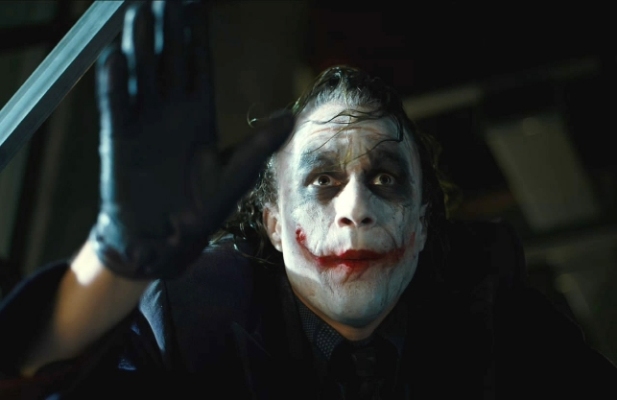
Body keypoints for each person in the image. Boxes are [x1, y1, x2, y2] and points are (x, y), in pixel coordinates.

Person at [1, 2, 616, 399]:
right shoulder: (185, 322)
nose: (355, 208)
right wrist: (112, 265)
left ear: (425, 223)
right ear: (274, 223)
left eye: (386, 179)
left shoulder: (500, 318)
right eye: (322, 180)